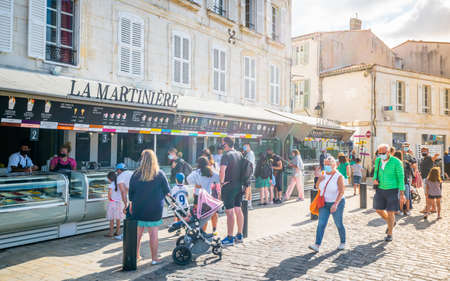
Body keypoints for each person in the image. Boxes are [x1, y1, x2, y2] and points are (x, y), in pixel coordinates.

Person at [129, 149, 170, 264]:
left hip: (139, 206)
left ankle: (135, 256)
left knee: (138, 234)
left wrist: (131, 203)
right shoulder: (159, 173)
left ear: (142, 159)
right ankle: (154, 258)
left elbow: (131, 191)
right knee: (153, 234)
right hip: (155, 208)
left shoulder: (136, 174)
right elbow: (167, 191)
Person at [309, 156, 346, 252]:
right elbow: (317, 187)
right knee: (321, 223)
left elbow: (342, 192)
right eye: (325, 164)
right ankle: (317, 245)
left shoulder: (339, 176)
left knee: (338, 223)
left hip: (337, 203)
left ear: (334, 165)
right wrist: (319, 180)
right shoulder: (323, 173)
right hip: (324, 203)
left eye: (328, 164)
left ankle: (343, 242)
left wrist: (336, 204)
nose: (326, 166)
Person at [373, 144, 405, 242]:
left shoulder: (396, 162)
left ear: (388, 152)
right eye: (379, 153)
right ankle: (390, 222)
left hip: (392, 189)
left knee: (390, 212)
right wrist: (375, 179)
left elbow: (401, 177)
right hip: (380, 189)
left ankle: (390, 233)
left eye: (383, 153)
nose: (381, 155)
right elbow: (376, 172)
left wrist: (402, 193)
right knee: (378, 209)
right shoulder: (378, 160)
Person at [219, 137, 244, 246]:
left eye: (223, 145)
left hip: (229, 186)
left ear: (227, 145)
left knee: (229, 212)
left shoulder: (226, 155)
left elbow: (222, 170)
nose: (222, 147)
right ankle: (239, 234)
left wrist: (221, 182)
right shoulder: (239, 154)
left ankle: (230, 237)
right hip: (239, 185)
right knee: (238, 209)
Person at [187, 157, 220, 235]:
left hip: (197, 196)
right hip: (207, 197)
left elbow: (188, 179)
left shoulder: (196, 172)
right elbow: (219, 178)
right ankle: (208, 231)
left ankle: (200, 232)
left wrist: (197, 184)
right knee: (206, 216)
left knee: (198, 216)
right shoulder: (210, 172)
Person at [105, 171, 125, 238]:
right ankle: (117, 232)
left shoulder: (111, 185)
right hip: (119, 203)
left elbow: (109, 193)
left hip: (112, 203)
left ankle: (111, 233)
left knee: (111, 219)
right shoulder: (119, 184)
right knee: (118, 219)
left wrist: (109, 198)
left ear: (110, 178)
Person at [419, 147, 438, 213]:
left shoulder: (429, 158)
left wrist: (436, 156)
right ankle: (433, 208)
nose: (423, 152)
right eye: (422, 151)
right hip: (425, 178)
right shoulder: (423, 159)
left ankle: (427, 208)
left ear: (428, 151)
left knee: (427, 195)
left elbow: (433, 158)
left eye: (424, 151)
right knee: (429, 194)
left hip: (428, 179)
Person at [243, 143, 255, 209]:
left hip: (248, 173)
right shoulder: (248, 153)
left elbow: (249, 164)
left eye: (246, 146)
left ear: (249, 146)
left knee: (247, 188)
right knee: (249, 188)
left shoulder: (250, 154)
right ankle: (249, 203)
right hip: (249, 173)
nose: (244, 147)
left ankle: (247, 202)